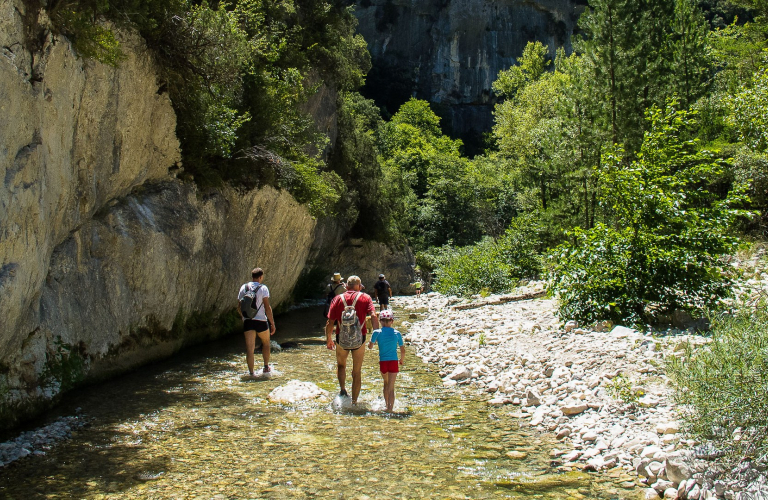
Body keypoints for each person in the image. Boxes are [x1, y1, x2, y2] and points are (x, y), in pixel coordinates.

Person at [325, 275, 379, 404]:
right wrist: (375, 336)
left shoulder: (338, 299)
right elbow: (373, 315)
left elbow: (330, 322)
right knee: (357, 371)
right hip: (359, 339)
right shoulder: (365, 298)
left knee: (341, 365)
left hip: (341, 338)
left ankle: (343, 390)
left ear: (346, 286)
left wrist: (328, 339)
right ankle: (354, 402)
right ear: (359, 286)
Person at [237, 268, 276, 376]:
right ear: (260, 277)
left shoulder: (243, 288)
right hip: (261, 321)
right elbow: (267, 307)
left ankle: (251, 373)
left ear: (252, 276)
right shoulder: (263, 288)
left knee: (250, 349)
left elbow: (239, 307)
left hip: (248, 321)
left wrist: (244, 318)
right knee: (266, 343)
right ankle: (266, 367)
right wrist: (272, 323)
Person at [368, 309, 405, 412]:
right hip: (394, 361)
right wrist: (401, 360)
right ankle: (390, 409)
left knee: (386, 383)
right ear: (392, 321)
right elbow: (402, 350)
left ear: (380, 321)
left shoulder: (376, 332)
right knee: (391, 387)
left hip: (383, 361)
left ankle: (386, 405)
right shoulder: (397, 333)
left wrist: (370, 343)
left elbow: (370, 346)